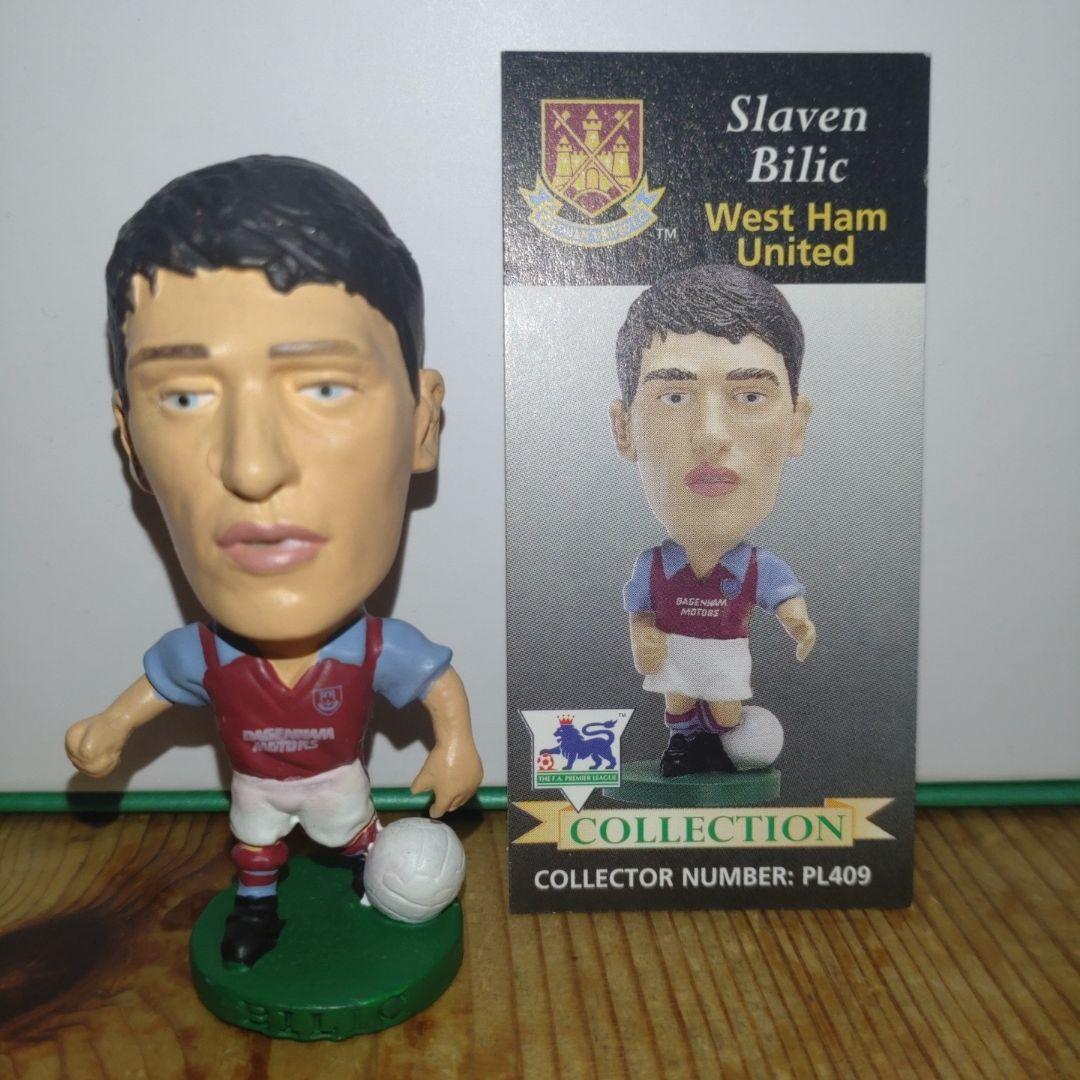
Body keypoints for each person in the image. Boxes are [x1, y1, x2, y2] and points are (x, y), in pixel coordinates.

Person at [65, 156, 483, 966]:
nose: (252, 468)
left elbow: (436, 686)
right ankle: (256, 911)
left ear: (422, 424)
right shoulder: (207, 656)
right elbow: (156, 689)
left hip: (336, 785)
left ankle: (372, 874)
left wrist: (455, 743)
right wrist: (110, 725)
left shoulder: (371, 649)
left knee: (355, 831)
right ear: (131, 446)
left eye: (323, 387)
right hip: (259, 788)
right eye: (185, 397)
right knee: (255, 842)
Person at [610, 263, 816, 778]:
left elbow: (784, 600)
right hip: (678, 655)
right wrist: (643, 633)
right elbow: (640, 610)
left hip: (726, 658)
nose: (710, 436)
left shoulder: (759, 568)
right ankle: (684, 744)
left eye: (750, 396)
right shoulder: (652, 566)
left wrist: (797, 621)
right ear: (624, 428)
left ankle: (719, 744)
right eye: (674, 397)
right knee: (678, 700)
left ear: (796, 425)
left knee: (725, 708)